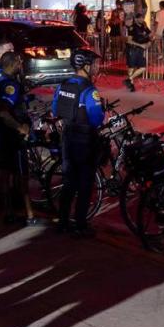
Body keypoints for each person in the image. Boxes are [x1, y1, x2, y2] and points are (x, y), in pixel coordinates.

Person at [51, 48, 105, 236]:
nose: (97, 68)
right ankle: (80, 224)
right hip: (84, 140)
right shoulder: (89, 90)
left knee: (68, 182)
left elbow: (55, 108)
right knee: (84, 184)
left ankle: (63, 221)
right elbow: (97, 118)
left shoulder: (64, 85)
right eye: (95, 65)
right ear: (86, 66)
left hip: (67, 137)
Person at [0, 52, 34, 225]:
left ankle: (9, 210)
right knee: (21, 175)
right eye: (19, 61)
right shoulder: (10, 85)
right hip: (12, 137)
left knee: (5, 172)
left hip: (3, 135)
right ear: (12, 63)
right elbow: (3, 111)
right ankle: (29, 214)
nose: (21, 63)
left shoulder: (2, 81)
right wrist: (20, 127)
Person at [123, 12, 151, 92]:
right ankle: (131, 85)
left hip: (140, 50)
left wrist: (148, 43)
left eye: (143, 18)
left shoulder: (144, 26)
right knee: (131, 67)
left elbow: (149, 36)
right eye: (140, 18)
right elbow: (129, 41)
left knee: (143, 67)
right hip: (132, 49)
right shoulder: (132, 27)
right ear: (136, 19)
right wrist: (140, 45)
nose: (142, 19)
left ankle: (129, 79)